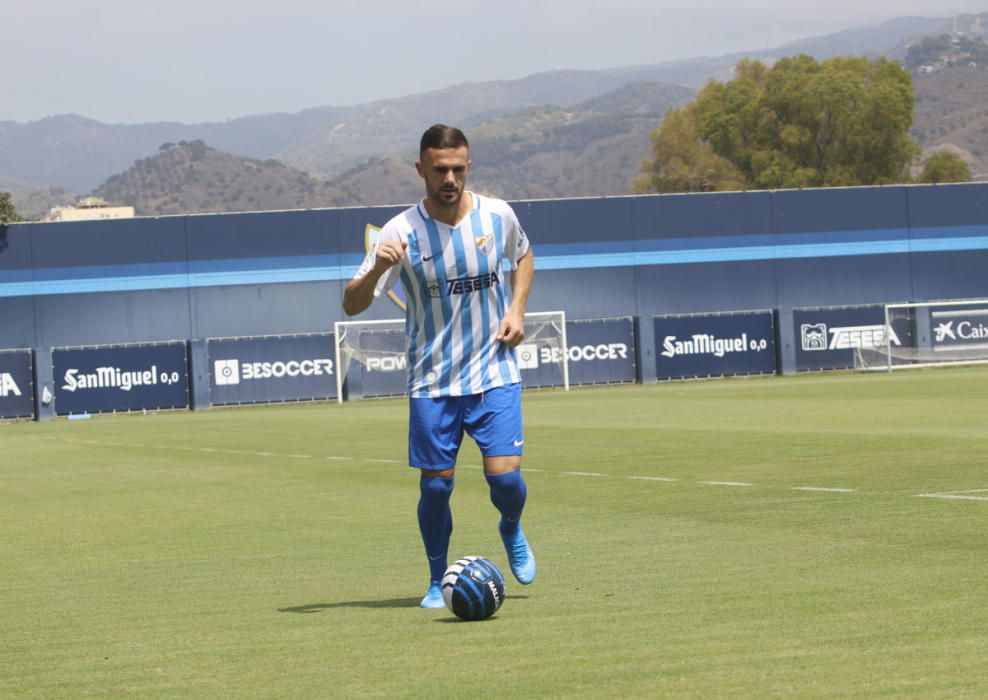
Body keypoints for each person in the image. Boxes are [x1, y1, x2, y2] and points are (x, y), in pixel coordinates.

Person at [343, 124, 536, 608]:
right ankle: (435, 580)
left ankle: (510, 527)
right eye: (439, 169)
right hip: (432, 379)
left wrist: (516, 310)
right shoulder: (400, 231)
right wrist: (374, 269)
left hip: (494, 370)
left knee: (506, 479)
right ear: (421, 170)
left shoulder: (498, 216)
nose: (449, 178)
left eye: (457, 168)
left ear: (467, 166)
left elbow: (525, 256)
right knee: (435, 489)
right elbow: (352, 304)